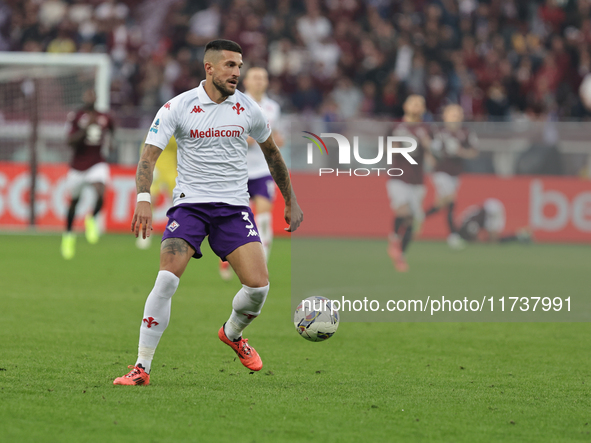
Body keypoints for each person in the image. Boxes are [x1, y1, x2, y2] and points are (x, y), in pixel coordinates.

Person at [113, 40, 303, 386]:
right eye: (230, 65)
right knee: (167, 278)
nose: (237, 73)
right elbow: (148, 155)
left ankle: (232, 333)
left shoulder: (248, 109)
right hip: (190, 205)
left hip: (233, 208)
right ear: (210, 68)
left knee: (259, 288)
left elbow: (273, 155)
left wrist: (290, 199)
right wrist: (143, 196)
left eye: (240, 66)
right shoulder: (178, 106)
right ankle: (141, 366)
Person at [219, 67, 283, 280]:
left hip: (263, 170)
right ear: (246, 81)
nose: (259, 81)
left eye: (263, 77)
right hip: (238, 171)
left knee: (264, 217)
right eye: (255, 77)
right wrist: (245, 138)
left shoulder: (273, 107)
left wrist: (277, 139)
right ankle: (226, 256)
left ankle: (260, 266)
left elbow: (274, 134)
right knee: (235, 217)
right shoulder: (234, 103)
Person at [61, 89, 115, 260]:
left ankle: (91, 218)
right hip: (77, 166)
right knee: (74, 204)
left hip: (97, 163)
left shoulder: (105, 117)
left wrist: (111, 142)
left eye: (92, 95)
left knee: (100, 192)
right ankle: (68, 236)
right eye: (87, 95)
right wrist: (85, 129)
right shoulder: (76, 117)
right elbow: (69, 142)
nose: (90, 98)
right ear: (83, 97)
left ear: (96, 98)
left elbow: (113, 130)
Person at [386, 95, 433, 272]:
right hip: (398, 177)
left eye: (420, 104)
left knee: (413, 222)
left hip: (417, 181)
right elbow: (387, 149)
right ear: (405, 106)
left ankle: (401, 256)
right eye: (413, 103)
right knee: (403, 211)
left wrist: (427, 146)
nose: (416, 106)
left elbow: (431, 157)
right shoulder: (396, 127)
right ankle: (393, 239)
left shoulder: (426, 129)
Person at [425, 104, 478, 249]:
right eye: (452, 113)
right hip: (440, 171)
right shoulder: (438, 132)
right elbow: (429, 148)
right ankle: (453, 235)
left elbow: (473, 152)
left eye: (458, 113)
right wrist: (430, 158)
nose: (455, 116)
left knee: (442, 203)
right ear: (445, 116)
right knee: (451, 200)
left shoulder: (466, 133)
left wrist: (461, 151)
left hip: (455, 173)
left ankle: (419, 218)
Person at [136, 136, 178, 250]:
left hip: (172, 169)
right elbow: (146, 147)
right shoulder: (162, 124)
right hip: (157, 166)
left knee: (178, 203)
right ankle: (144, 234)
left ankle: (177, 232)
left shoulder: (182, 127)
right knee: (151, 199)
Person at [457, 198, 532, 244]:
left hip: (489, 209)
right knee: (494, 239)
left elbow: (474, 235)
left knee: (493, 240)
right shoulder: (466, 220)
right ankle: (520, 235)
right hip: (491, 206)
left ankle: (520, 235)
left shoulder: (466, 224)